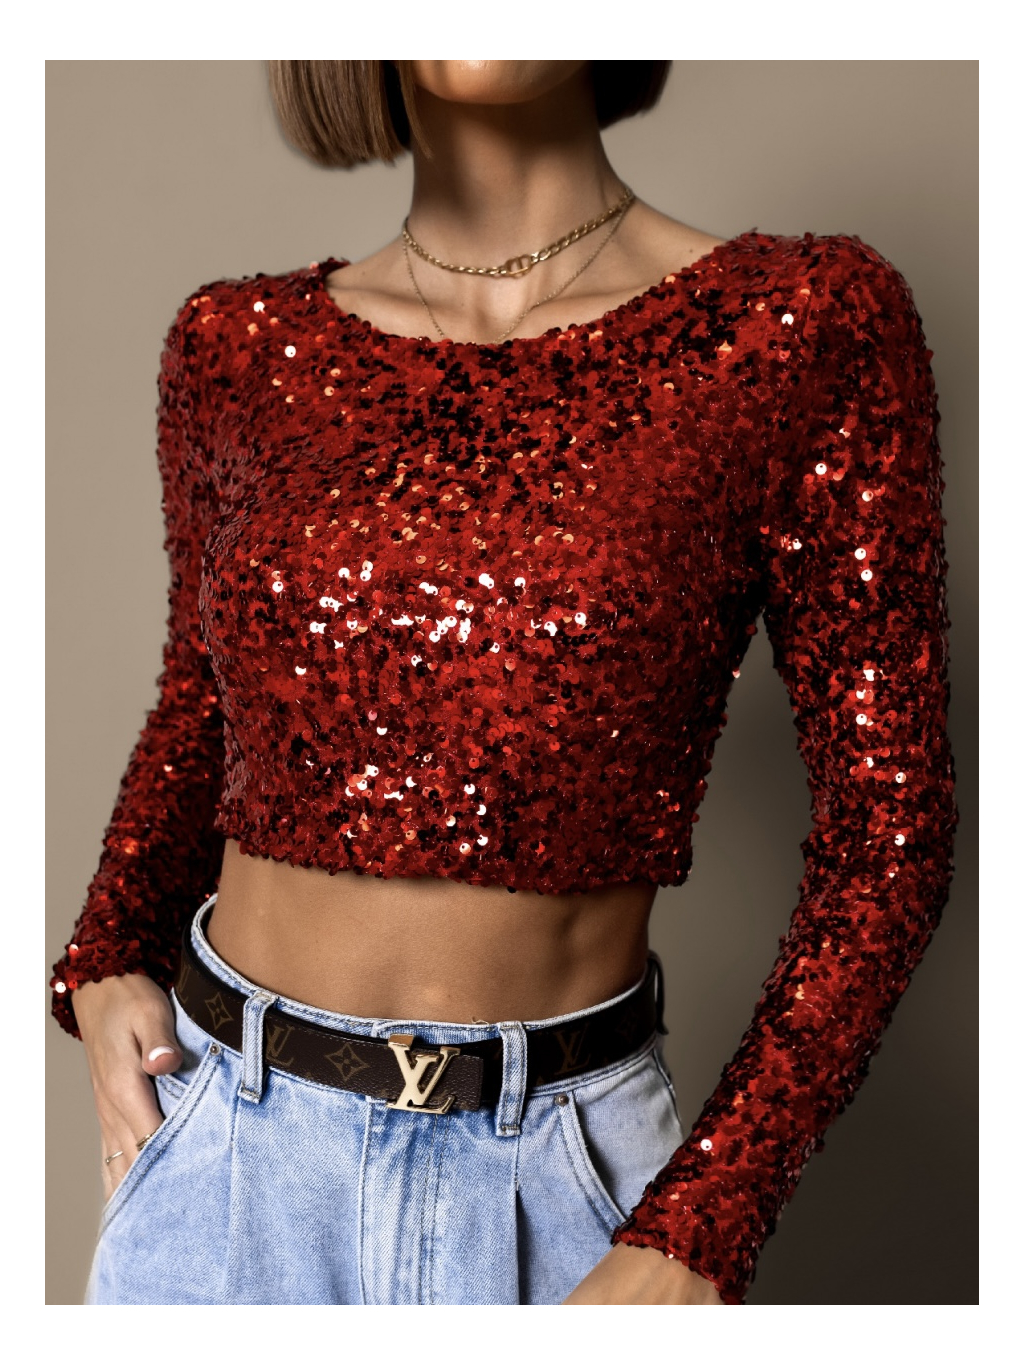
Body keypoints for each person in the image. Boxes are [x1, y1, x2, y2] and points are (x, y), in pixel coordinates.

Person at [50, 59, 957, 1306]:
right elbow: (203, 705)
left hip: (569, 1192)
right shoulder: (235, 348)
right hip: (226, 1165)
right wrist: (105, 953)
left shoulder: (794, 327)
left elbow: (888, 835)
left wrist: (702, 1226)